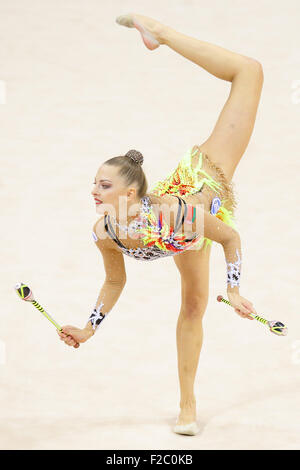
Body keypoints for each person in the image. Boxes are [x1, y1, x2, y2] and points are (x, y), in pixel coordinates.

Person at [57, 13, 264, 436]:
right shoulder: (105, 233)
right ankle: (187, 403)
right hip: (182, 231)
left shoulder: (175, 214)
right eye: (94, 183)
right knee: (191, 307)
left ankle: (161, 33)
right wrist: (87, 329)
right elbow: (115, 283)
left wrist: (236, 289)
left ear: (129, 194)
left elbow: (229, 235)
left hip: (205, 183)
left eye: (103, 184)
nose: (93, 191)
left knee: (250, 71)